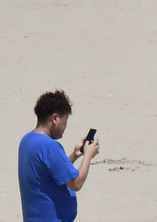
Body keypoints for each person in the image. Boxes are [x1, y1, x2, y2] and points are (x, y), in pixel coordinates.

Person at [18, 90, 99, 222]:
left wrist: (74, 155)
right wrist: (88, 156)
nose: (65, 127)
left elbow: (52, 172)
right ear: (55, 118)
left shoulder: (27, 140)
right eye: (65, 120)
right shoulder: (49, 146)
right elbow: (76, 183)